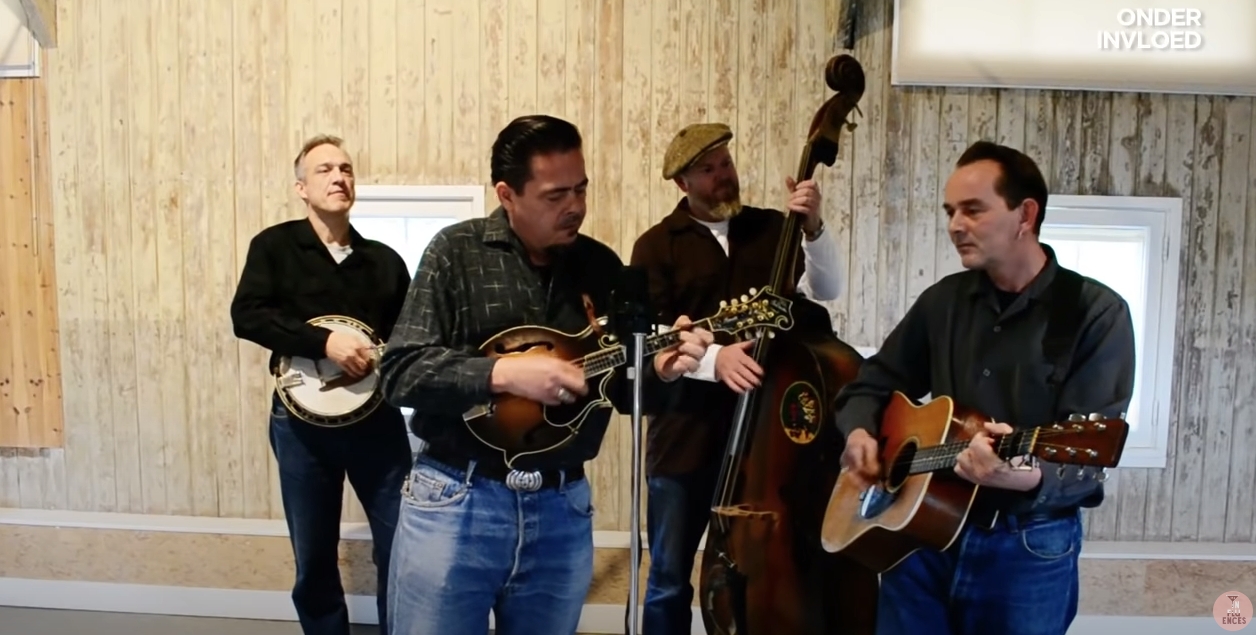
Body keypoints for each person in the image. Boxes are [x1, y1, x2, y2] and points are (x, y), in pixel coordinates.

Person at [377, 114, 714, 635]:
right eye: (556, 195)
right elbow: (399, 372)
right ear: (508, 194)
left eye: (581, 189)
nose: (576, 206)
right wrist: (502, 373)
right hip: (456, 503)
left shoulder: (601, 266)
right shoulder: (455, 253)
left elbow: (614, 387)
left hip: (561, 509)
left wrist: (661, 370)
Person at [834, 140, 1137, 635]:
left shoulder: (1096, 314)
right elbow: (871, 384)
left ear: (1026, 214)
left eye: (973, 210)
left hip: (1026, 551)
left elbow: (1087, 457)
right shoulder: (942, 303)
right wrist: (859, 434)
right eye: (951, 211)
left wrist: (1027, 477)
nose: (955, 225)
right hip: (918, 539)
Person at [627, 122, 847, 634]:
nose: (723, 177)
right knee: (667, 580)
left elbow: (827, 288)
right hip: (684, 439)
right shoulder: (656, 245)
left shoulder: (775, 228)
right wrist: (714, 361)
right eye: (707, 170)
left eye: (725, 163)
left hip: (767, 440)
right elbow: (650, 337)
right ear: (682, 183)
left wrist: (814, 228)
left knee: (767, 573)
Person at [229, 134, 414, 635]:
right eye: (325, 170)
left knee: (402, 544)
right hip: (300, 427)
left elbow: (409, 340)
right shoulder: (274, 247)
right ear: (301, 188)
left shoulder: (386, 262)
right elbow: (246, 316)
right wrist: (323, 342)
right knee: (313, 553)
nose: (339, 178)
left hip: (377, 423)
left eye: (347, 169)